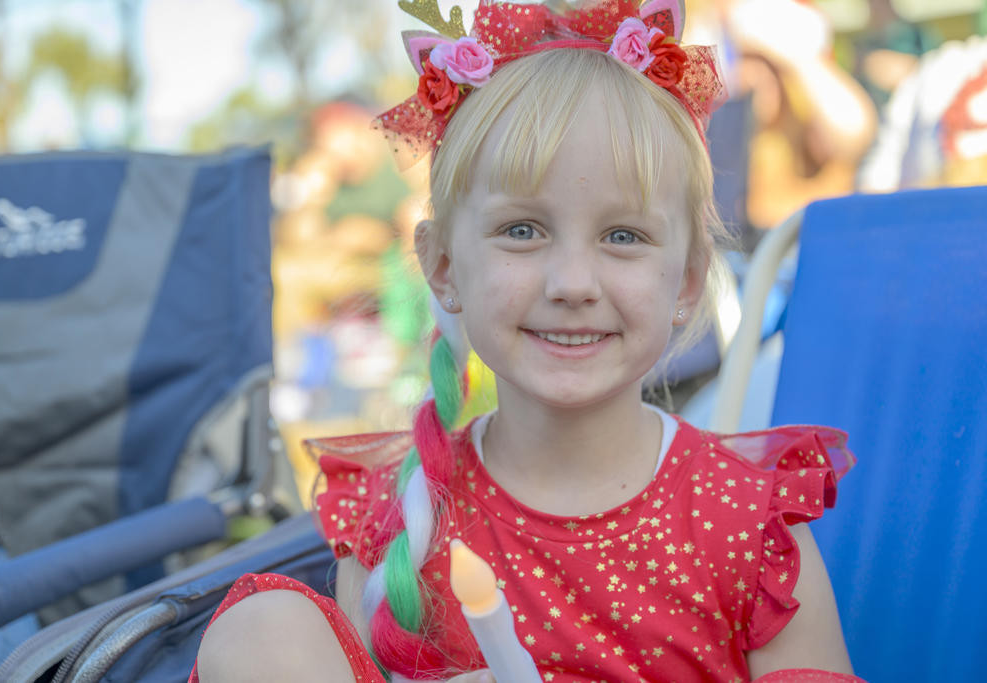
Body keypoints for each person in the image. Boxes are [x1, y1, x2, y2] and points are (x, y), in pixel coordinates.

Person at [193, 1, 858, 681]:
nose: (572, 282)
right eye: (522, 230)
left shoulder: (746, 526)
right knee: (262, 630)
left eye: (622, 235)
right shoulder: (403, 516)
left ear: (687, 281)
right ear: (445, 267)